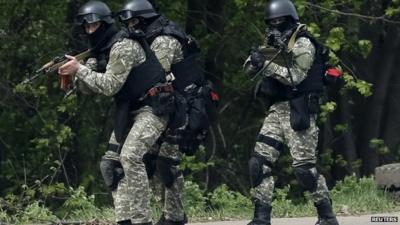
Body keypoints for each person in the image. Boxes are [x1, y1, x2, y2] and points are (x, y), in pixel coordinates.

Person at [58, 1, 175, 225]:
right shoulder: (101, 50)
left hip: (154, 107)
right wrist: (77, 73)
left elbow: (109, 86)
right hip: (130, 109)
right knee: (110, 165)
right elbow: (89, 89)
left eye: (94, 26)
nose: (90, 31)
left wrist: (80, 69)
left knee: (130, 156)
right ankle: (125, 220)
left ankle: (142, 220)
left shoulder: (123, 46)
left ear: (105, 24)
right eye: (86, 28)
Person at [243, 1, 339, 225]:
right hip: (277, 109)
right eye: (272, 22)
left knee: (304, 168)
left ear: (290, 19)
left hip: (300, 108)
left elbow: (296, 76)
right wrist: (256, 61)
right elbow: (249, 69)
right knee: (259, 163)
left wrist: (267, 64)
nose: (276, 25)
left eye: (280, 21)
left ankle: (327, 216)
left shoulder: (304, 43)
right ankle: (261, 217)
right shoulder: (271, 42)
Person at [117, 0, 212, 224]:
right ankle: (172, 214)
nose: (129, 26)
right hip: (167, 105)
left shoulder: (164, 40)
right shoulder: (148, 37)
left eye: (132, 21)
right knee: (150, 159)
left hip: (186, 106)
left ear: (143, 20)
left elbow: (155, 73)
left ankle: (175, 216)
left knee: (167, 162)